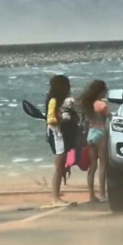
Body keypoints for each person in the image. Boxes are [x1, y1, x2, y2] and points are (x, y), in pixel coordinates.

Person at [79, 80, 112, 203]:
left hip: (90, 134)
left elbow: (85, 123)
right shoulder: (101, 104)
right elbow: (111, 117)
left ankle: (91, 195)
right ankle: (103, 194)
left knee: (93, 166)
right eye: (105, 90)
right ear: (101, 91)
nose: (106, 91)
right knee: (103, 164)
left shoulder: (87, 104)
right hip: (101, 132)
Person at [44, 75, 72, 206]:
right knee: (59, 165)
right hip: (55, 134)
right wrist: (62, 118)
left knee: (61, 166)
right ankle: (55, 198)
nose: (68, 88)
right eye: (66, 85)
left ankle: (57, 196)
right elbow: (51, 119)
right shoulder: (53, 100)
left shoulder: (60, 100)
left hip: (58, 134)